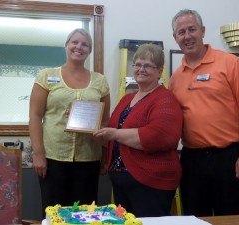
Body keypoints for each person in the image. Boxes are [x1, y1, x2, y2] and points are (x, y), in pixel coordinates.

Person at [169, 9, 239, 217]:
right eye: (181, 32)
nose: (187, 36)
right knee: (195, 219)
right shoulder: (175, 78)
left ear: (202, 31)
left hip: (229, 158)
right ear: (175, 38)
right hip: (192, 160)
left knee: (230, 219)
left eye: (192, 29)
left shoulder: (230, 63)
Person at [93, 43, 183, 217]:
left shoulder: (166, 99)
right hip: (121, 180)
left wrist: (114, 134)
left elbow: (156, 136)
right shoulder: (127, 99)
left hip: (151, 182)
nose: (141, 69)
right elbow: (110, 133)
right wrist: (85, 125)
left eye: (148, 65)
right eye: (138, 64)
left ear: (159, 71)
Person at [29, 28, 110, 217]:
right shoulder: (47, 76)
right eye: (74, 42)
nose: (79, 47)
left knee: (84, 215)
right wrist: (38, 154)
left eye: (84, 44)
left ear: (89, 50)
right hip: (53, 158)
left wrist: (105, 156)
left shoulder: (100, 81)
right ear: (66, 45)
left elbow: (104, 121)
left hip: (88, 159)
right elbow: (34, 116)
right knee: (55, 214)